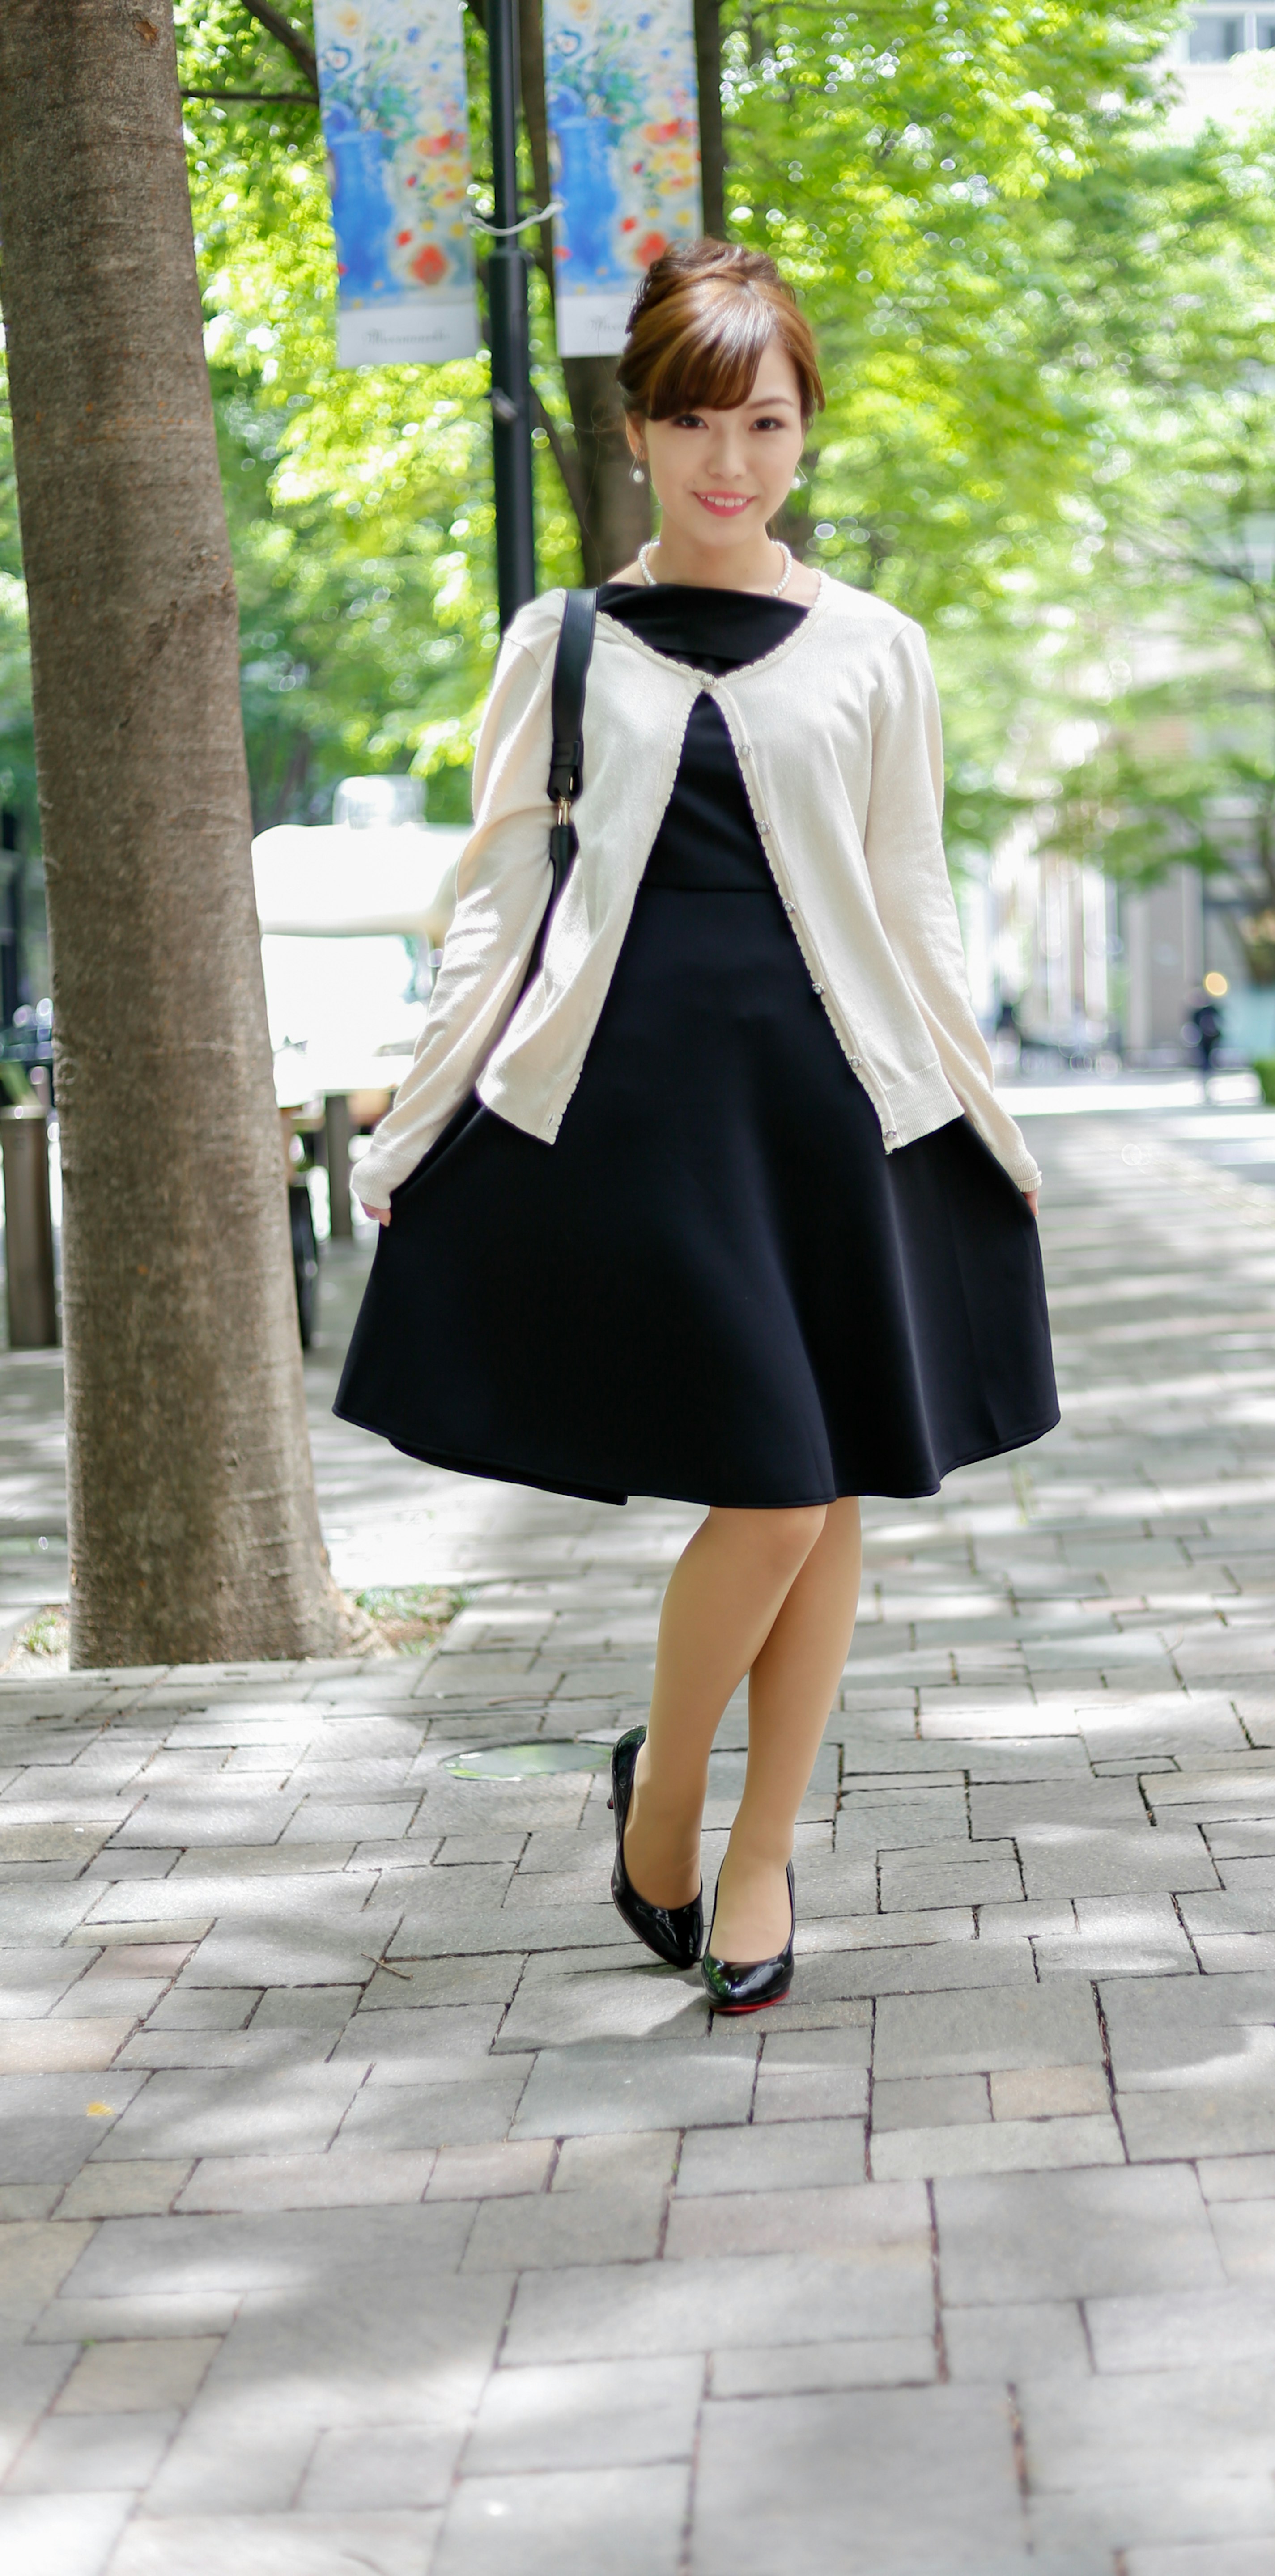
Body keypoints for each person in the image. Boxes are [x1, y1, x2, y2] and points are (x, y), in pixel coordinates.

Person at [335, 241, 1058, 2012]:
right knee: (781, 1483)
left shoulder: (879, 650)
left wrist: (990, 1121)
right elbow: (499, 907)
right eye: (694, 423)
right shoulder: (561, 643)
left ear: (806, 434)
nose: (732, 461)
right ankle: (665, 1813)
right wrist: (412, 1132)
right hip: (649, 1122)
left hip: (838, 1121)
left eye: (767, 422)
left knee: (829, 1492)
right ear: (639, 432)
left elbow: (913, 899)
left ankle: (750, 1861)